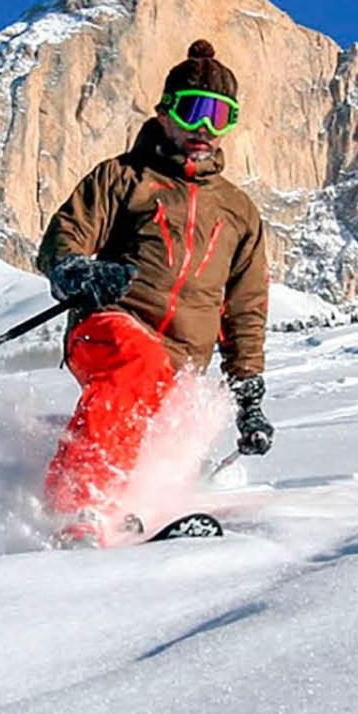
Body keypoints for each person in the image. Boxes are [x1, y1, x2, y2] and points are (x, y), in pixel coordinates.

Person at [36, 39, 274, 546]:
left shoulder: (237, 211)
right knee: (136, 364)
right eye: (193, 111)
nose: (205, 129)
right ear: (166, 112)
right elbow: (64, 238)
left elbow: (245, 308)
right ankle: (77, 506)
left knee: (169, 419)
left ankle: (129, 512)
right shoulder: (124, 178)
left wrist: (247, 390)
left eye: (221, 116)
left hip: (185, 358)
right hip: (110, 326)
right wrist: (77, 271)